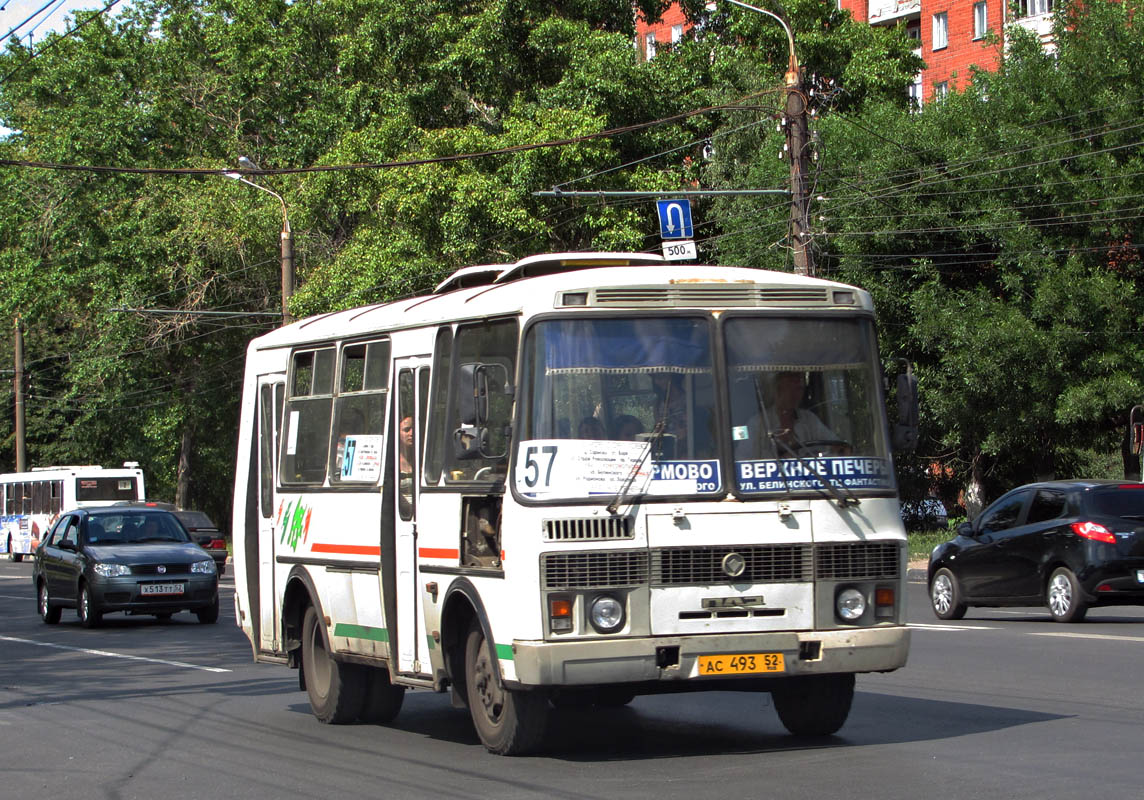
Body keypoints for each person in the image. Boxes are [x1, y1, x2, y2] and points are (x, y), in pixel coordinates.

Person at [758, 371, 839, 456]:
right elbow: (744, 457)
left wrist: (839, 449)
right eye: (789, 388)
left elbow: (835, 444)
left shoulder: (809, 420)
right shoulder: (759, 424)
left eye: (798, 389)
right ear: (778, 390)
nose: (795, 394)